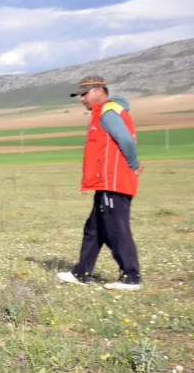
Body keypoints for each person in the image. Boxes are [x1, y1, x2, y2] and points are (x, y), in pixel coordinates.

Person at [57, 76, 144, 291]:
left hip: (113, 181)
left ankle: (131, 277)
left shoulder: (108, 112)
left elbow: (125, 139)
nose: (82, 99)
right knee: (94, 229)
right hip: (105, 182)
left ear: (99, 91)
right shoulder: (106, 111)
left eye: (84, 94)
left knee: (117, 229)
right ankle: (81, 273)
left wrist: (133, 163)